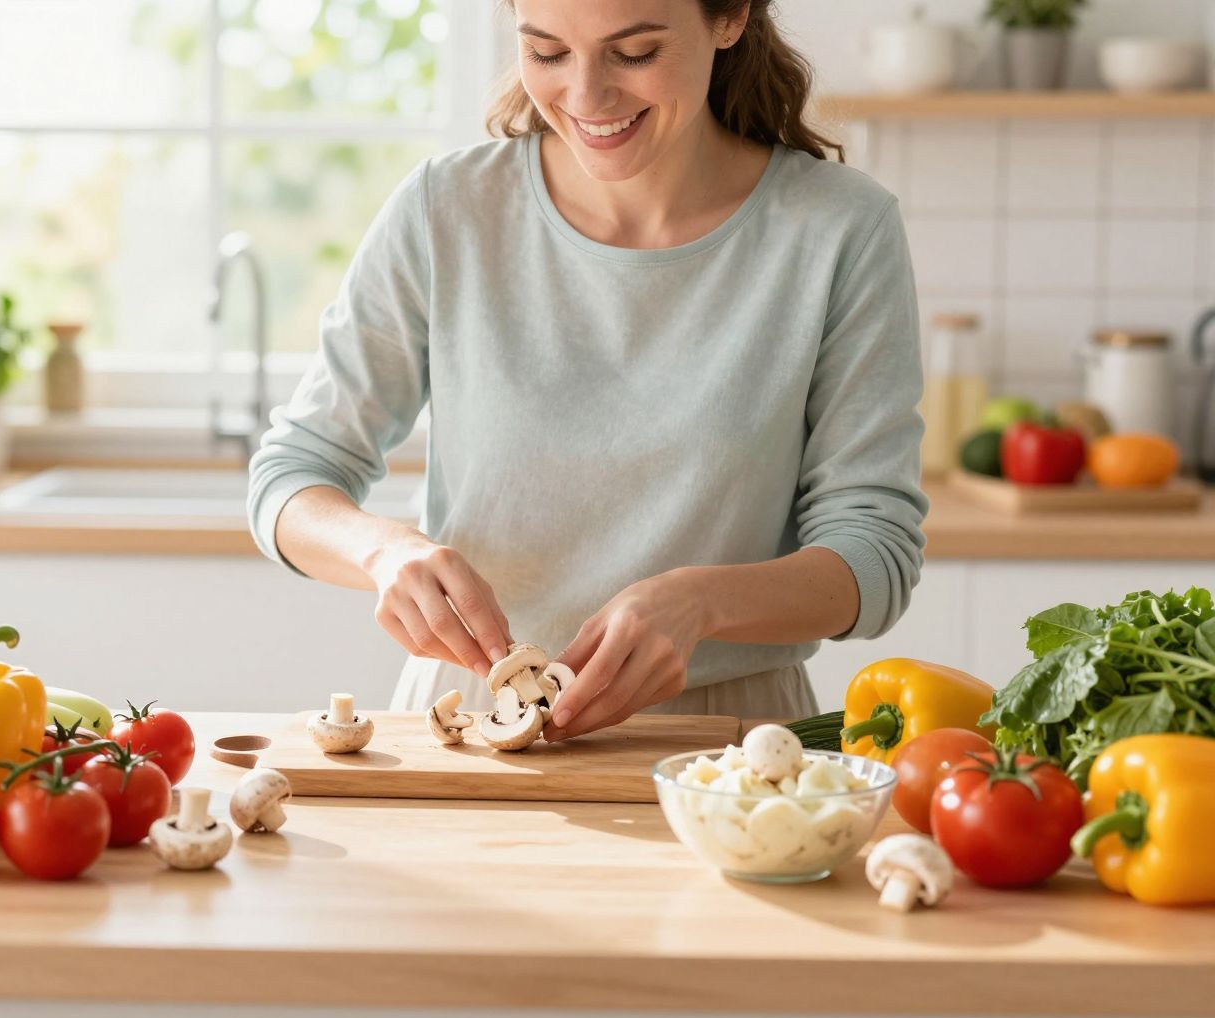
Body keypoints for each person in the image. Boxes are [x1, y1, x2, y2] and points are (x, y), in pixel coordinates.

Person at [247, 0, 927, 741]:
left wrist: (701, 604)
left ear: (730, 18)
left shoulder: (839, 229)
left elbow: (874, 552)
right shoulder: (447, 210)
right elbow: (292, 477)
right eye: (546, 53)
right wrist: (386, 552)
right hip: (471, 724)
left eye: (634, 54)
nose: (586, 96)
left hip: (731, 745)